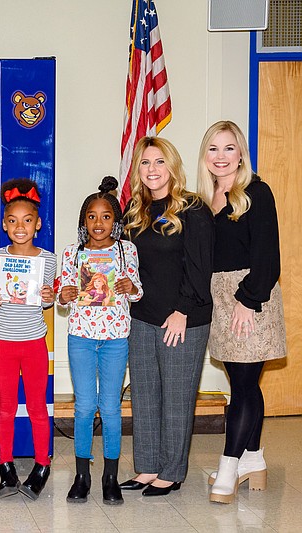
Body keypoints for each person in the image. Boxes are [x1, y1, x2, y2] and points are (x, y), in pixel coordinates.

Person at [119, 136, 214, 496]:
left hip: (183, 317)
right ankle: (146, 467)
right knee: (144, 395)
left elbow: (201, 268)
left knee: (176, 396)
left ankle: (172, 472)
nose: (152, 169)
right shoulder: (135, 210)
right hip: (141, 315)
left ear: (172, 166)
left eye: (159, 162)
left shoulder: (193, 209)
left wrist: (183, 311)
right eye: (145, 163)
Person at [197, 121, 286, 504]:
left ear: (241, 153)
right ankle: (254, 458)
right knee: (243, 383)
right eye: (213, 149)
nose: (221, 156)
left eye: (229, 148)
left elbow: (268, 254)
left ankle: (231, 465)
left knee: (246, 384)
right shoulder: (203, 199)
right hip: (220, 298)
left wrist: (248, 301)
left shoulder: (256, 192)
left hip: (252, 296)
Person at [57, 176, 143, 505]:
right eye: (91, 217)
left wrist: (128, 288)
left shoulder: (126, 251)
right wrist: (64, 296)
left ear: (116, 222)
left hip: (115, 337)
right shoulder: (71, 253)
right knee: (83, 408)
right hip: (80, 336)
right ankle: (82, 476)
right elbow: (65, 296)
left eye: (105, 216)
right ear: (83, 223)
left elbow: (137, 290)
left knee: (109, 408)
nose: (98, 223)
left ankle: (110, 476)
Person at [0, 178, 56, 500]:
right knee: (6, 407)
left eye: (27, 220)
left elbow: (47, 300)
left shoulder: (49, 259)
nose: (19, 226)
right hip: (3, 343)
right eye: (12, 221)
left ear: (37, 223)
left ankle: (42, 464)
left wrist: (47, 296)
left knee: (38, 406)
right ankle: (6, 467)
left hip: (33, 343)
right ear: (4, 223)